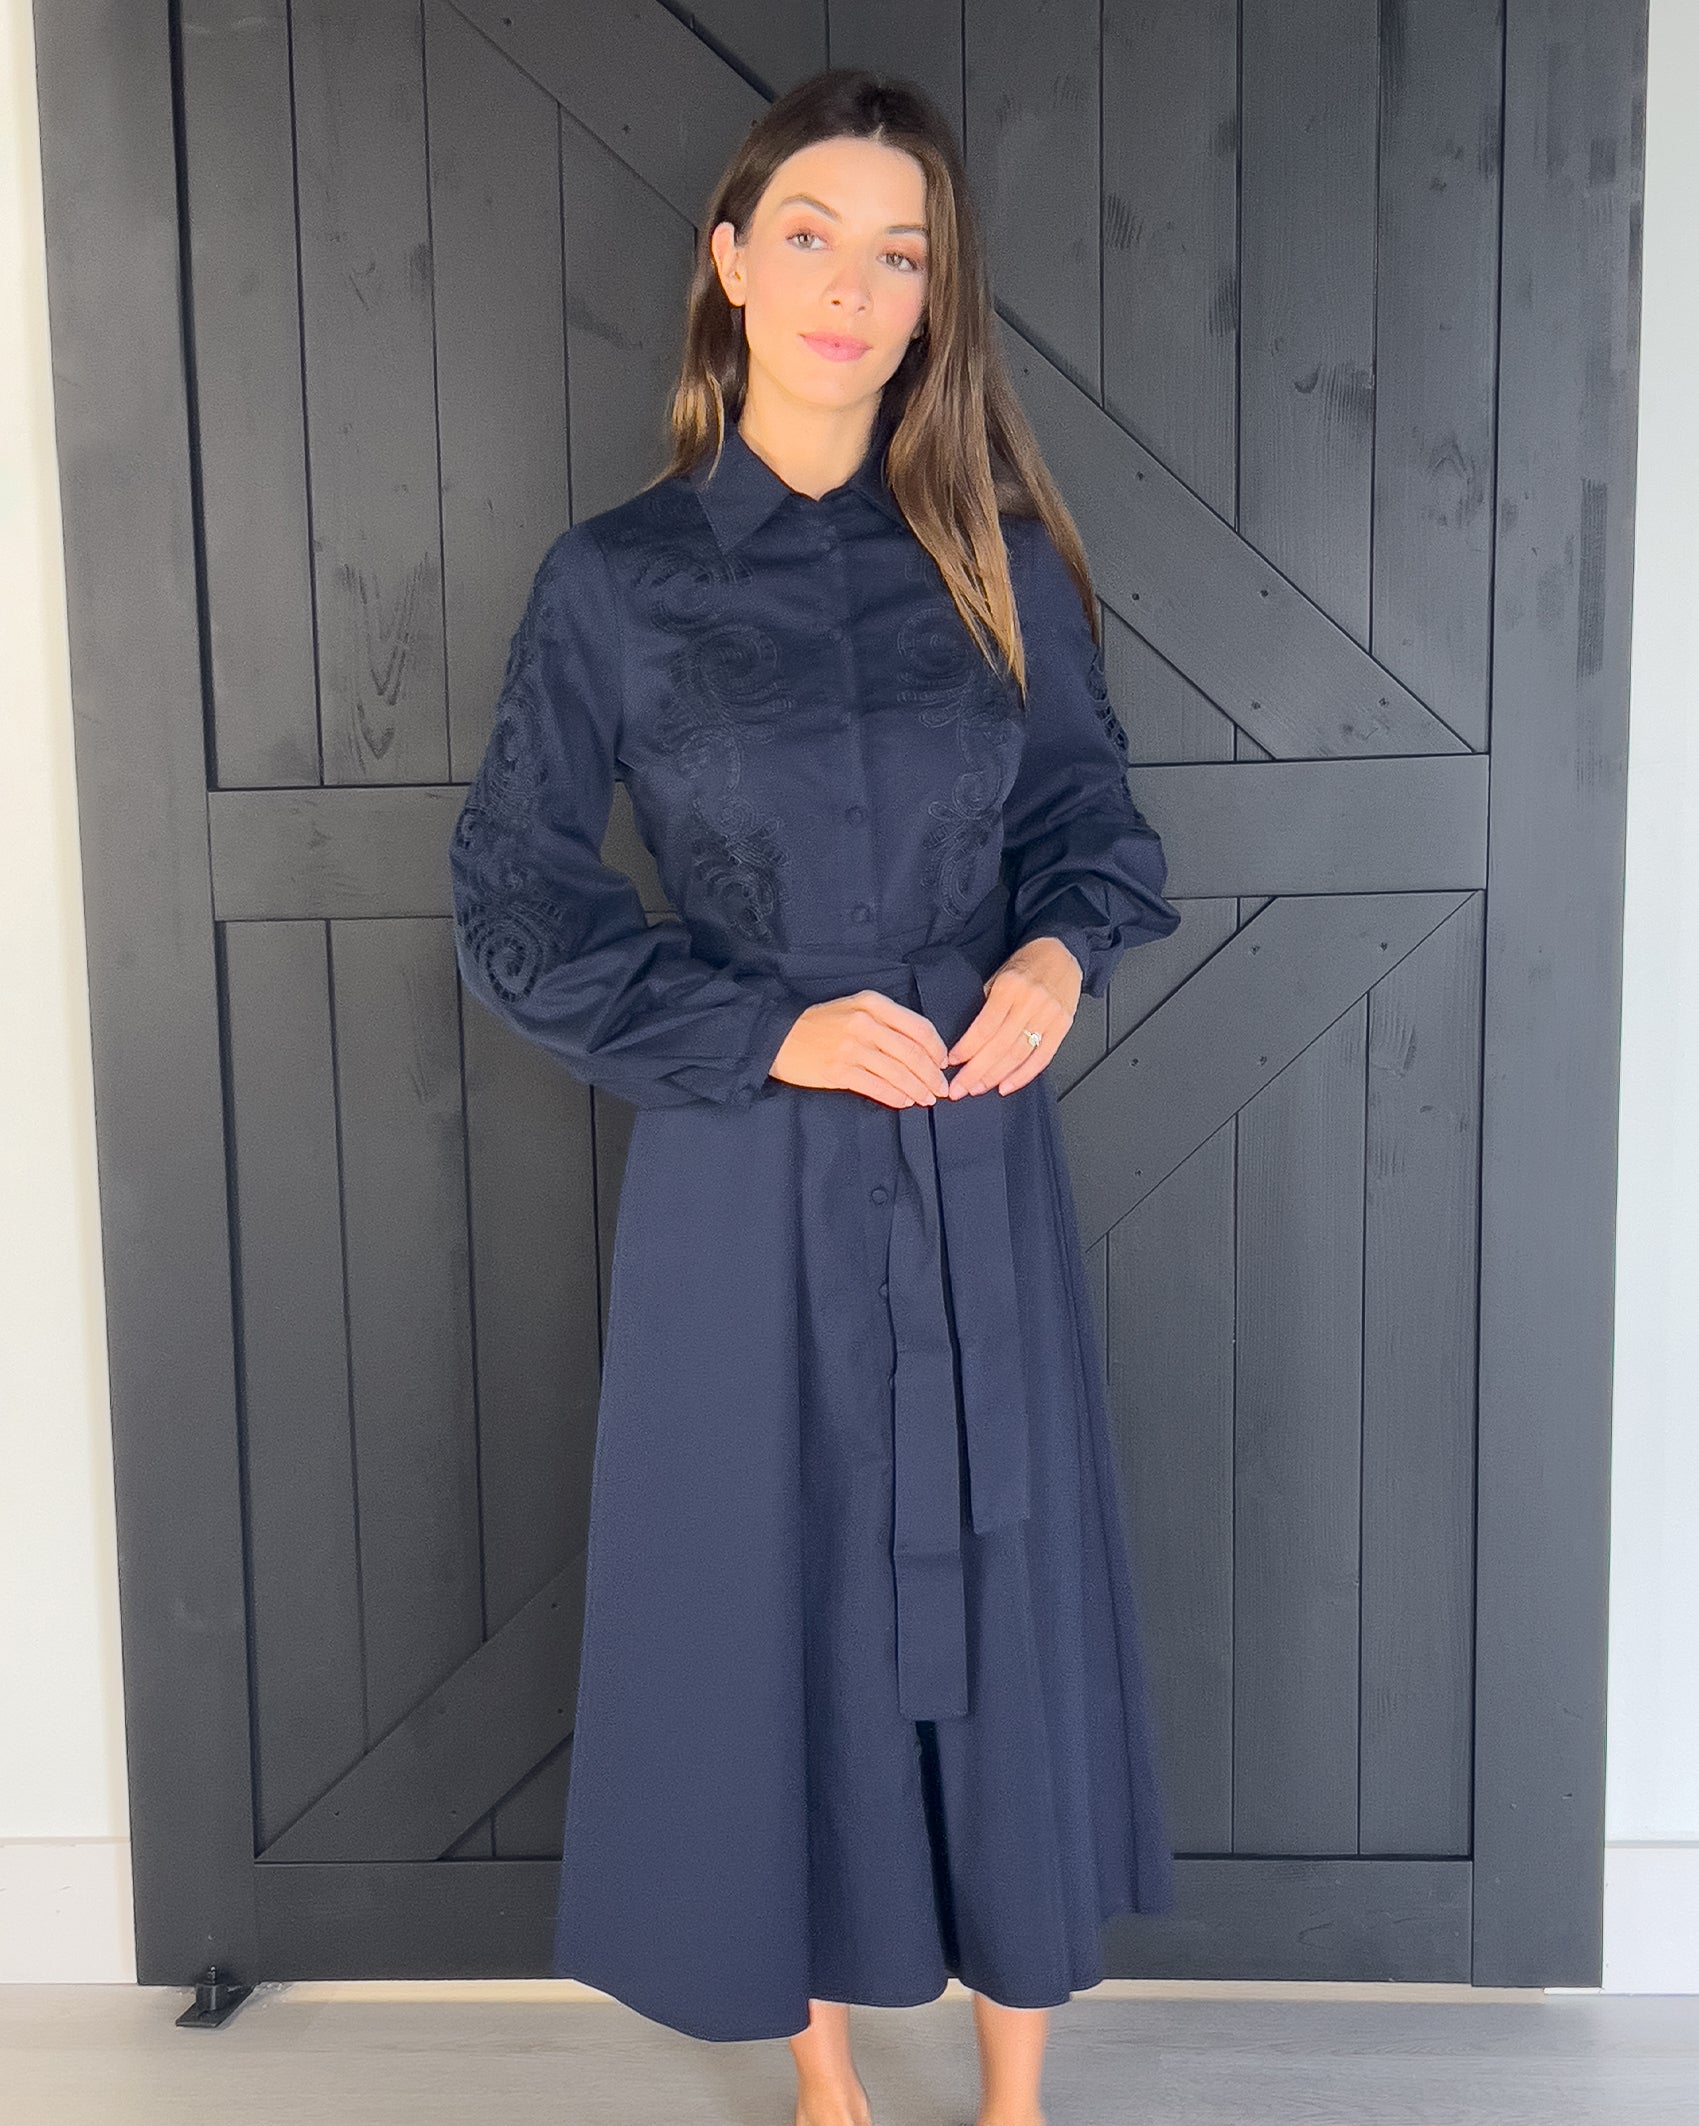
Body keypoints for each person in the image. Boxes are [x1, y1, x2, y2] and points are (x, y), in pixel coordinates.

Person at [449, 65, 1183, 2126]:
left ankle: (1017, 2086)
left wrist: (1054, 958)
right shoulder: (615, 583)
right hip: (744, 1170)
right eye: (810, 237)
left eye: (900, 253)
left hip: (970, 1147)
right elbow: (510, 899)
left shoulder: (1000, 559)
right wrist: (759, 1029)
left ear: (936, 299)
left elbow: (1094, 833)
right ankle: (828, 2081)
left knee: (1002, 1574)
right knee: (770, 1588)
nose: (853, 287)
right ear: (730, 264)